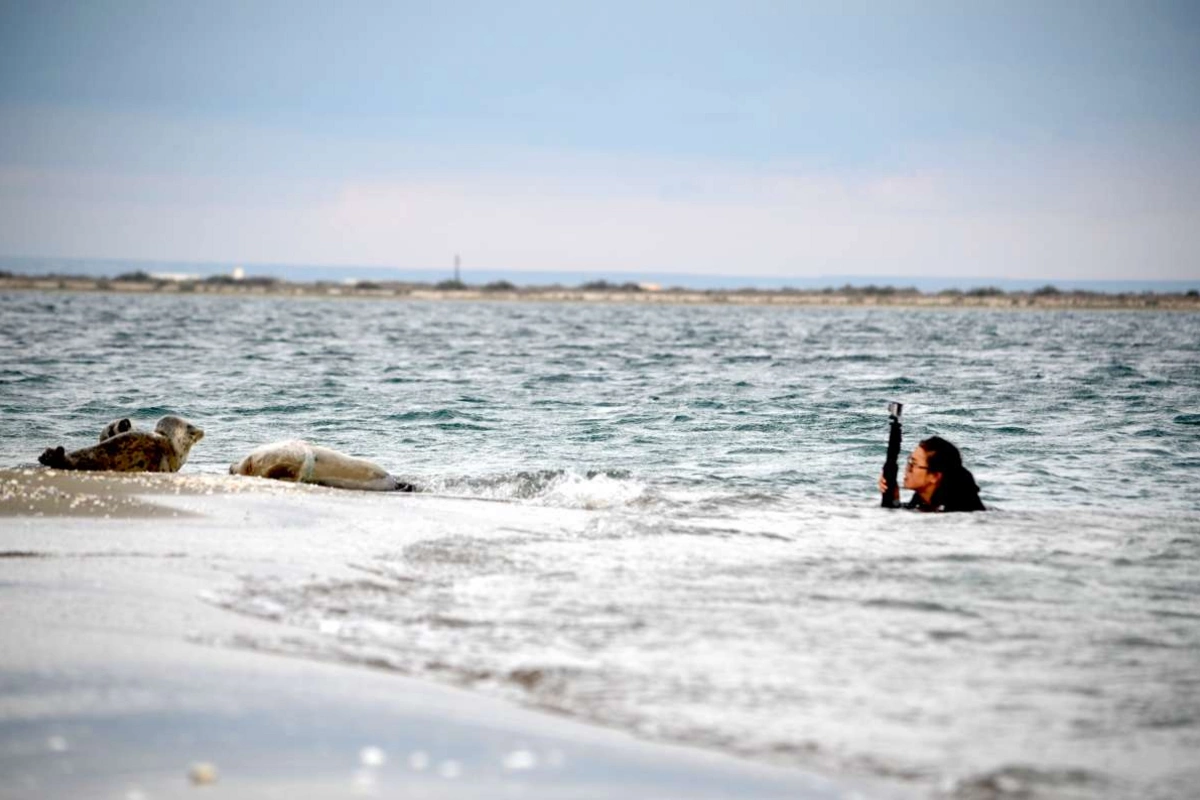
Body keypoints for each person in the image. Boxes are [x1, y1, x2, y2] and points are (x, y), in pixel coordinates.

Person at [878, 435, 985, 512]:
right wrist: (894, 499)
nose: (907, 469)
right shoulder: (922, 499)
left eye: (913, 464)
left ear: (934, 476)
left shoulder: (956, 510)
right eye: (909, 462)